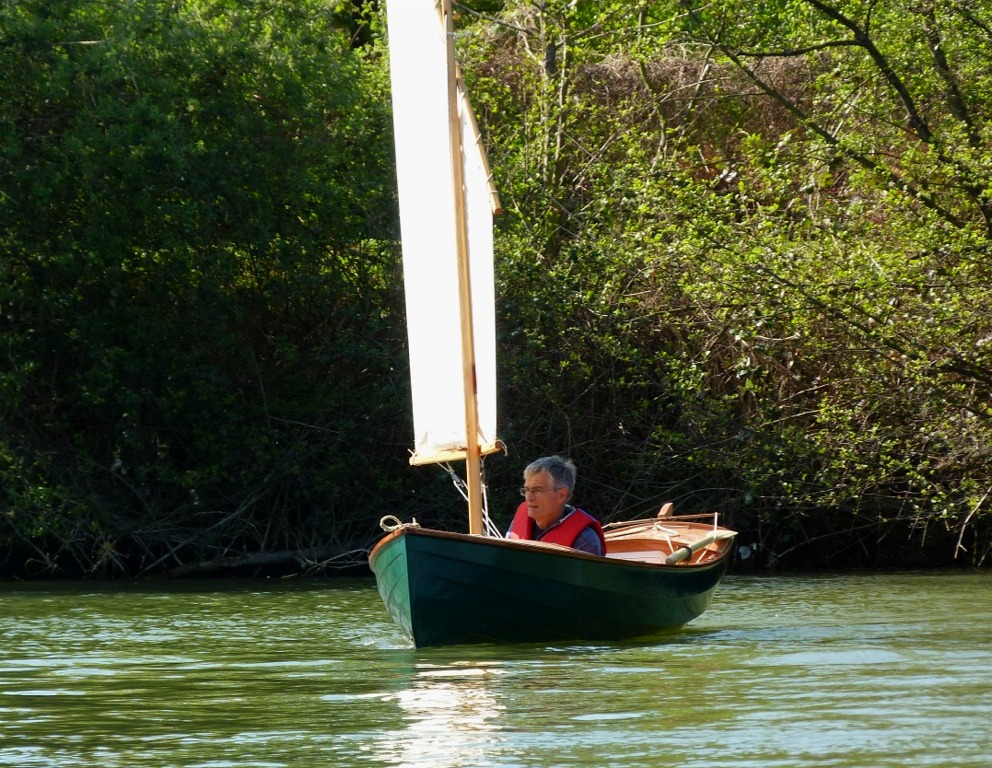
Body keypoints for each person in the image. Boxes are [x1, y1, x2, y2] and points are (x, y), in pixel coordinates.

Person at [506, 455, 606, 556]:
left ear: (562, 495)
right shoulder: (519, 522)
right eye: (527, 490)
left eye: (537, 490)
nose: (529, 498)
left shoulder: (585, 541)